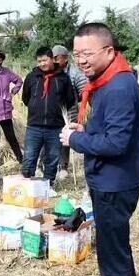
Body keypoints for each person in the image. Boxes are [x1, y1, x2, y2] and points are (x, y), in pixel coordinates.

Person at [60, 22, 139, 276]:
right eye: (77, 54)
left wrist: (76, 141)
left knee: (111, 253)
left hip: (114, 183)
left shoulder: (119, 87)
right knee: (118, 247)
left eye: (88, 53)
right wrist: (86, 131)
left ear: (109, 51)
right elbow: (108, 131)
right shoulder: (110, 80)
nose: (81, 60)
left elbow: (116, 143)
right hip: (110, 180)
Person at [21, 47, 75, 190]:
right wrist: (35, 107)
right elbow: (25, 98)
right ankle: (27, 188)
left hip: (55, 127)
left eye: (45, 60)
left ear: (52, 59)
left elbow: (70, 100)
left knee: (52, 159)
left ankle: (47, 187)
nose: (42, 64)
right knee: (29, 158)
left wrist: (55, 109)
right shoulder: (32, 77)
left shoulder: (63, 78)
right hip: (34, 126)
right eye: (39, 61)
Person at [52, 45, 87, 180]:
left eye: (57, 58)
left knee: (65, 138)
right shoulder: (50, 71)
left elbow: (84, 91)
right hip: (52, 111)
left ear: (65, 58)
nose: (54, 61)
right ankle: (45, 165)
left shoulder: (75, 73)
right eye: (52, 58)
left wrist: (73, 99)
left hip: (69, 111)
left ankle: (63, 167)